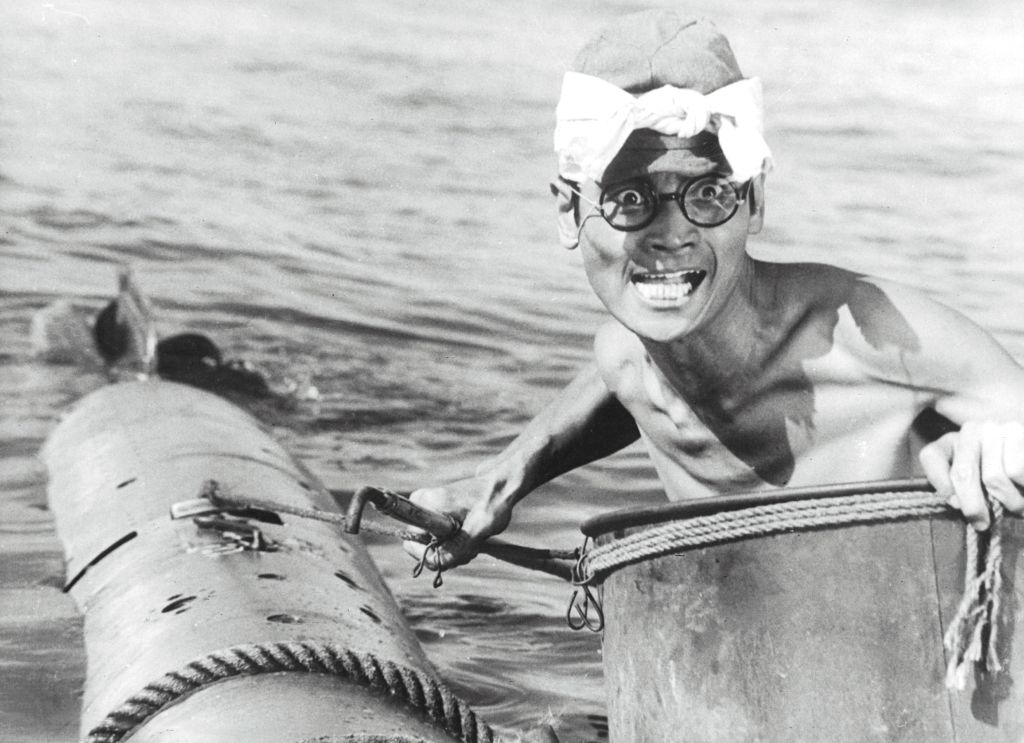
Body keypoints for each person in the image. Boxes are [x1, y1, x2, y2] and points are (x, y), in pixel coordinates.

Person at [405, 10, 1024, 571]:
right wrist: (502, 478)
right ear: (569, 214)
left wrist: (994, 448)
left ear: (754, 202)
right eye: (628, 198)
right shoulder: (627, 359)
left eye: (708, 194)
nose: (672, 234)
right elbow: (620, 374)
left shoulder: (882, 340)